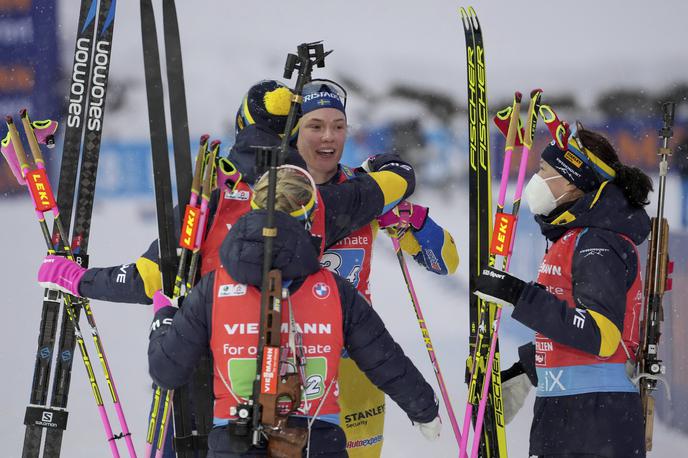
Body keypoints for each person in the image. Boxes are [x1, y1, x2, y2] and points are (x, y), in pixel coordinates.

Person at [147, 166, 442, 457]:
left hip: (234, 442)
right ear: (311, 219)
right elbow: (383, 358)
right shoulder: (333, 289)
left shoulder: (213, 288)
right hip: (318, 442)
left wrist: (164, 320)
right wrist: (423, 409)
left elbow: (166, 372)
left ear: (251, 212)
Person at [292, 79, 458, 457]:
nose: (328, 137)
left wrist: (417, 223)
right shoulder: (279, 190)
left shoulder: (368, 189)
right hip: (292, 360)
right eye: (315, 126)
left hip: (356, 358)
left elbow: (446, 263)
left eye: (338, 125)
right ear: (297, 130)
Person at [474, 124, 651, 458]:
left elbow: (601, 335)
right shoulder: (575, 236)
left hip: (595, 419)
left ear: (571, 180)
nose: (535, 179)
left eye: (543, 170)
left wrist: (517, 294)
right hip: (567, 410)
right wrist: (529, 368)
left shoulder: (597, 241)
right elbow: (569, 320)